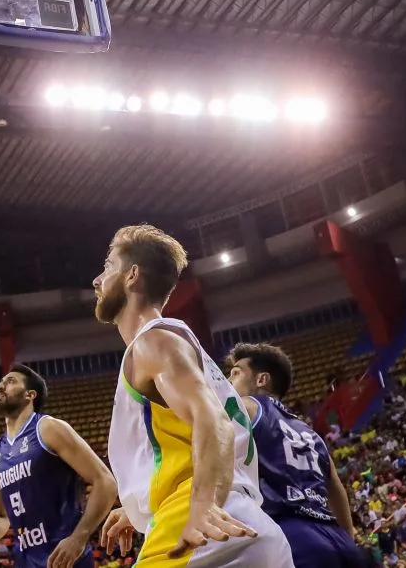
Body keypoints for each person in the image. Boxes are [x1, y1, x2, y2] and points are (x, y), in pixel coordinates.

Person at [94, 224, 294, 568]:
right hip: (251, 526)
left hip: (202, 529)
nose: (98, 281)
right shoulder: (185, 349)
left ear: (132, 276)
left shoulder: (154, 342)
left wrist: (202, 503)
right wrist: (138, 508)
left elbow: (213, 420)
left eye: (109, 267)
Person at [225, 343, 367, 568]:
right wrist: (347, 537)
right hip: (336, 538)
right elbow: (337, 490)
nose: (228, 381)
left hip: (292, 536)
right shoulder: (308, 431)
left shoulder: (245, 406)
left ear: (261, 380)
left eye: (235, 373)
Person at [0, 364, 117, 568]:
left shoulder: (48, 428)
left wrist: (79, 537)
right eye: (1, 382)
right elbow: (0, 515)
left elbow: (105, 482)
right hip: (26, 560)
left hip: (65, 557)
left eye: (10, 381)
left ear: (30, 395)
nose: (0, 386)